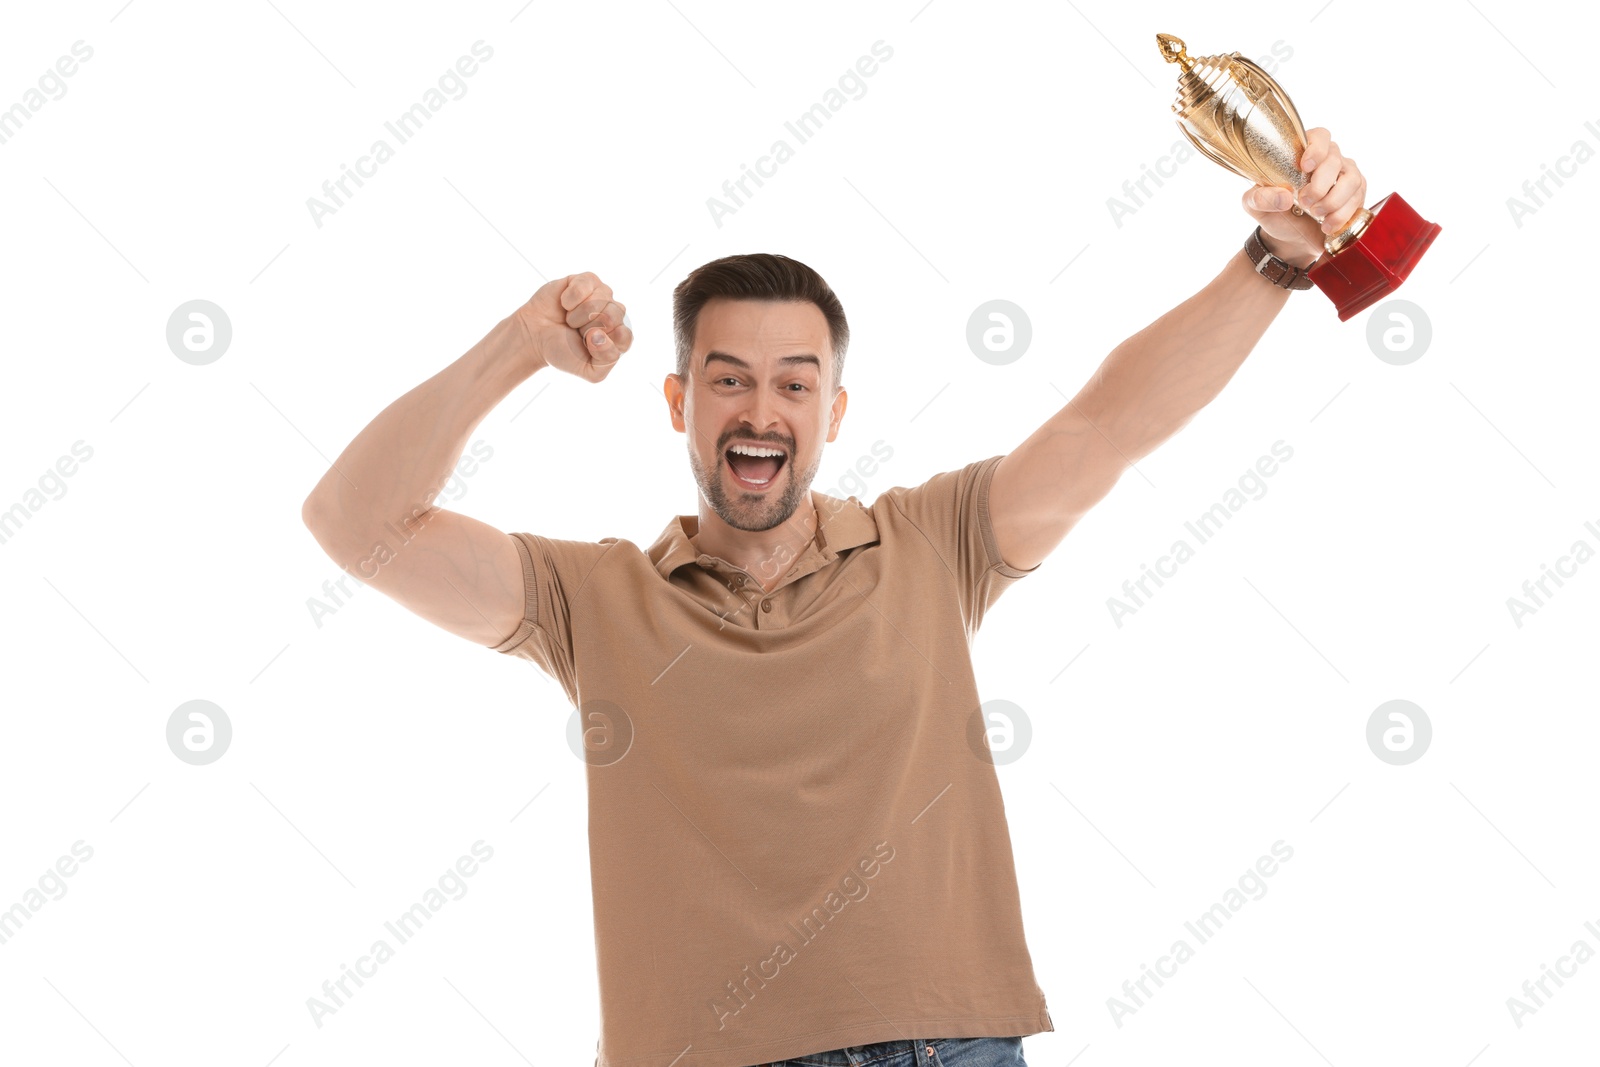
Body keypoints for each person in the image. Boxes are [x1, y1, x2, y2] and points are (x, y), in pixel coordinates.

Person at [301, 129, 1366, 1067]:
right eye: (726, 378)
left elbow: (1105, 425)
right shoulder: (589, 597)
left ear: (833, 410)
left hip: (948, 1047)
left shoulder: (930, 542)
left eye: (794, 382)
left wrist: (1274, 261)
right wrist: (519, 348)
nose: (760, 408)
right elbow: (355, 522)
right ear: (678, 401)